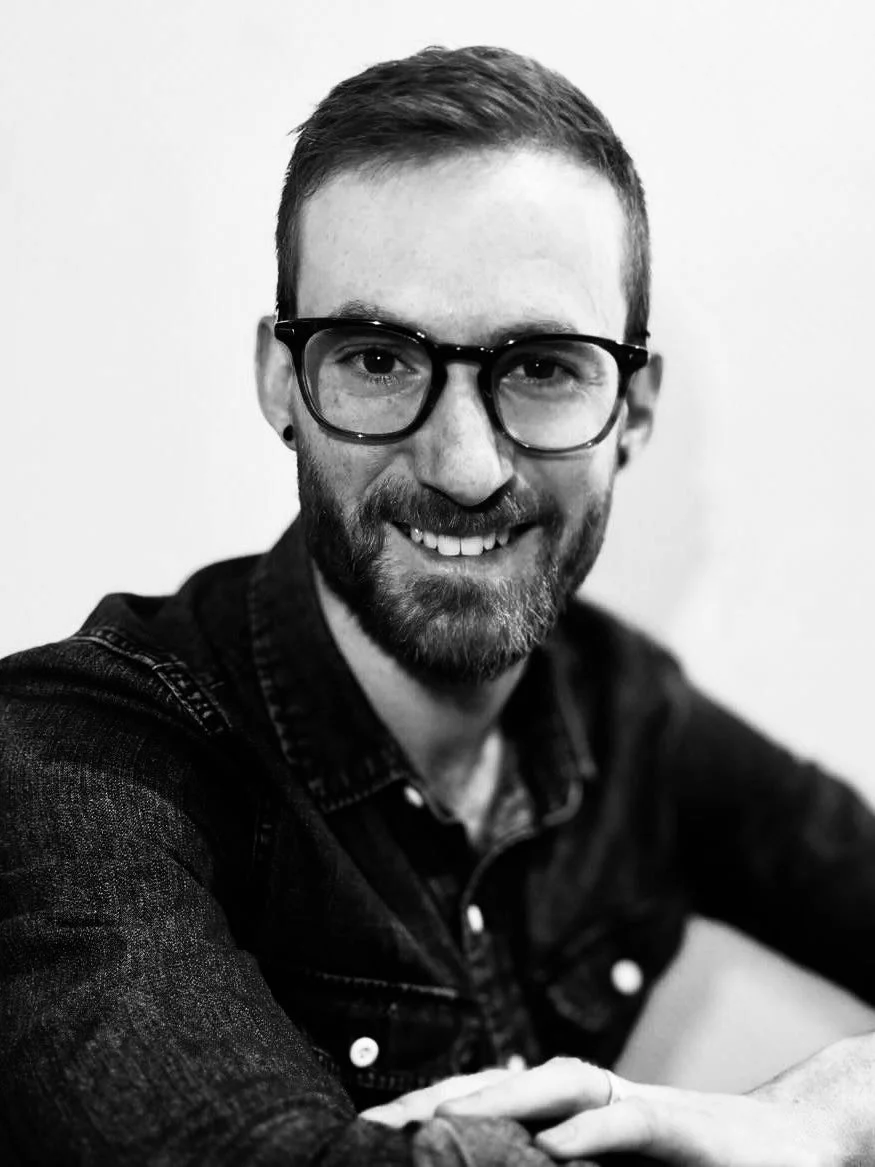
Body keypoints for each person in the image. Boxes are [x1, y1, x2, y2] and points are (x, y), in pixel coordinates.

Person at [1, 42, 874, 1167]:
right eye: (377, 359)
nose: (464, 467)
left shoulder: (625, 712)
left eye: (542, 365)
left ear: (633, 405)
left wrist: (831, 1109)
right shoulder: (69, 764)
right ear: (280, 378)